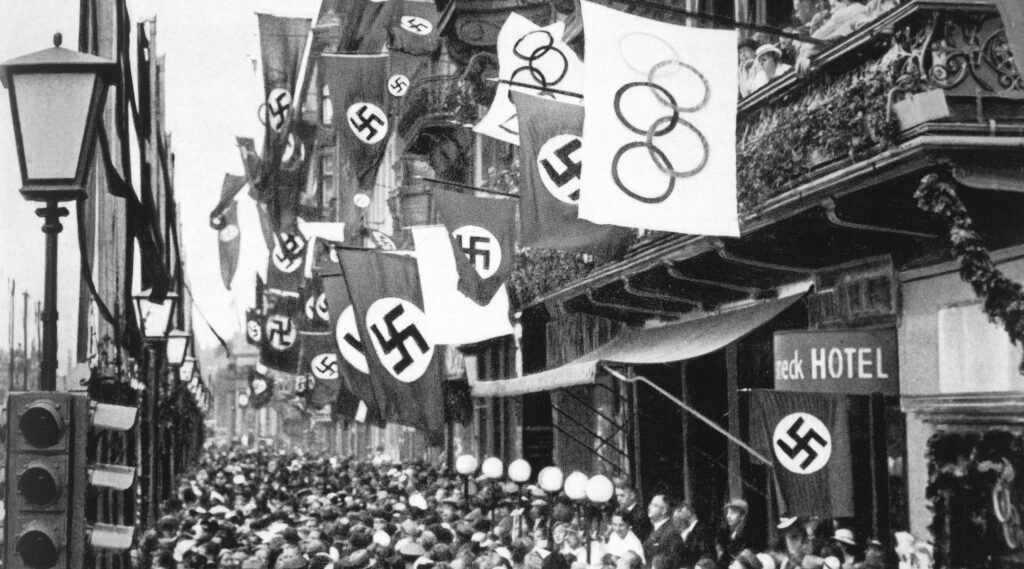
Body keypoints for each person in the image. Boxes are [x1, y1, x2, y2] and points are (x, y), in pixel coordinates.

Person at [641, 495, 681, 569]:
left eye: (655, 505)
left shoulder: (671, 532)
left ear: (664, 510)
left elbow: (671, 561)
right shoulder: (652, 529)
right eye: (651, 504)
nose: (650, 507)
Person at [672, 503, 714, 569]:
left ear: (689, 513)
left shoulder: (702, 529)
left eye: (682, 511)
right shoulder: (690, 531)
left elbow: (706, 553)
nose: (680, 514)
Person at [715, 500, 750, 567]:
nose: (728, 516)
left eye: (733, 513)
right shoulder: (726, 533)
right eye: (727, 513)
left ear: (742, 516)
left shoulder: (746, 536)